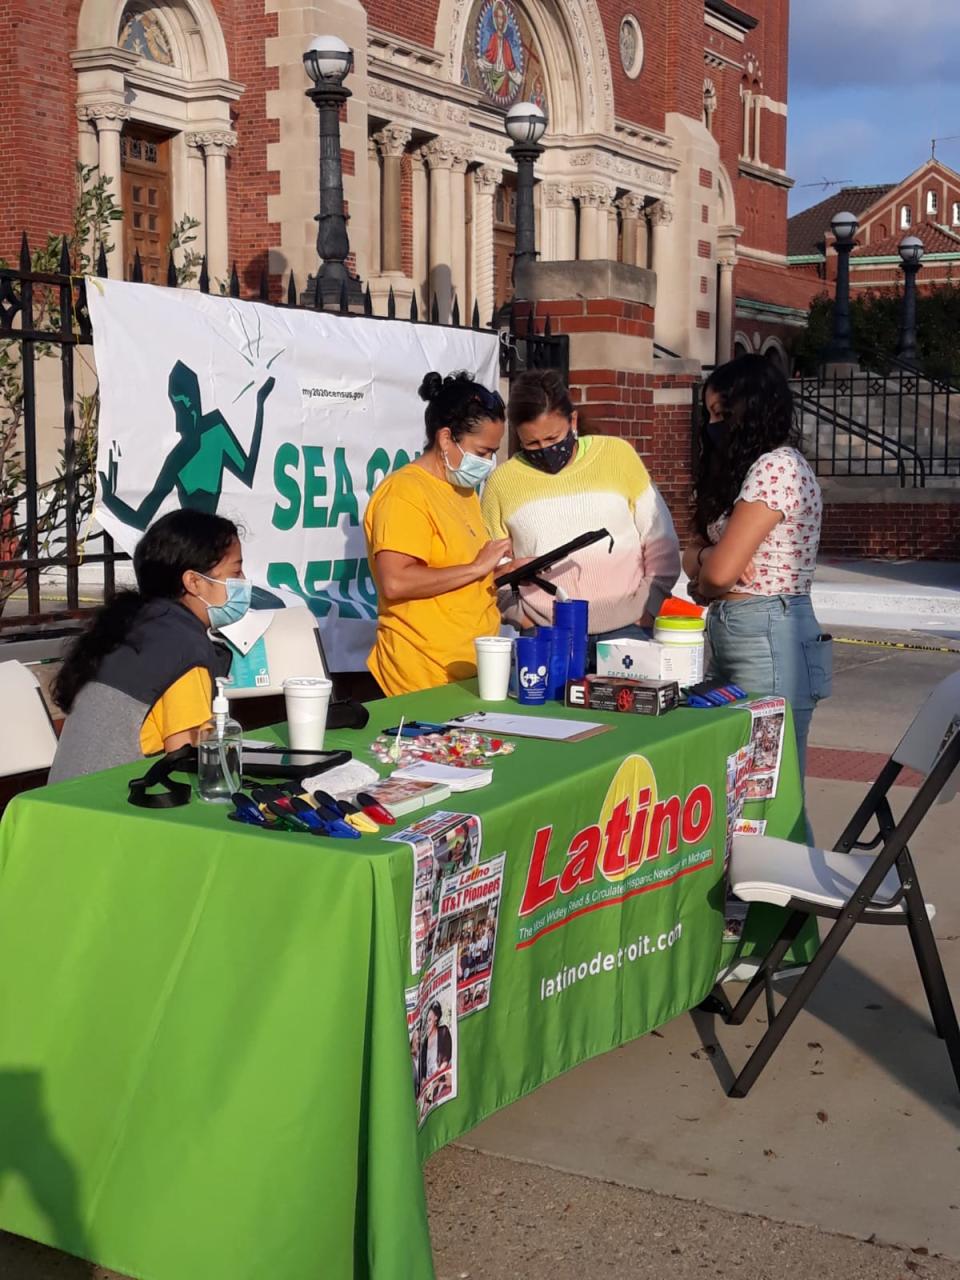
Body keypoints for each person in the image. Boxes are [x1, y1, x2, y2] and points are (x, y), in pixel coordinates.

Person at [683, 354, 831, 774]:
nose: (713, 424)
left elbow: (715, 575)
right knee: (734, 783)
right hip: (740, 627)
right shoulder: (746, 471)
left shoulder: (776, 466)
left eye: (722, 412)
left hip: (768, 633)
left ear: (751, 409)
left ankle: (794, 846)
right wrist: (708, 560)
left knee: (771, 785)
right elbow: (695, 555)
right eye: (709, 413)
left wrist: (708, 570)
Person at [482, 369, 681, 652]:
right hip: (547, 634)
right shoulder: (502, 482)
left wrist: (649, 607)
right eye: (532, 444)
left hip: (628, 627)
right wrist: (521, 618)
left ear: (573, 421)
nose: (545, 450)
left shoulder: (617, 456)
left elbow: (658, 536)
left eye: (553, 439)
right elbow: (494, 564)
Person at [49, 509, 245, 782]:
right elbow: (185, 764)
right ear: (194, 582)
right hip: (109, 810)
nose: (244, 582)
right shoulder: (183, 648)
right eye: (236, 572)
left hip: (63, 801)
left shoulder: (135, 626)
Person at [363, 371, 512, 696]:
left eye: (493, 452)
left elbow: (459, 574)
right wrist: (477, 568)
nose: (489, 463)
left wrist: (500, 573)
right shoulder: (404, 493)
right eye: (483, 452)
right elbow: (397, 581)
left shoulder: (463, 491)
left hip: (471, 672)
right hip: (420, 678)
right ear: (446, 439)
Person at [419, 1001, 453, 1083]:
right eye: (426, 1022)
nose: (427, 1025)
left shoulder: (443, 1031)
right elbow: (423, 1074)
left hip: (441, 1079)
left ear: (436, 1018)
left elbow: (446, 1059)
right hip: (428, 1085)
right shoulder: (424, 1045)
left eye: (429, 1020)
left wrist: (437, 1076)